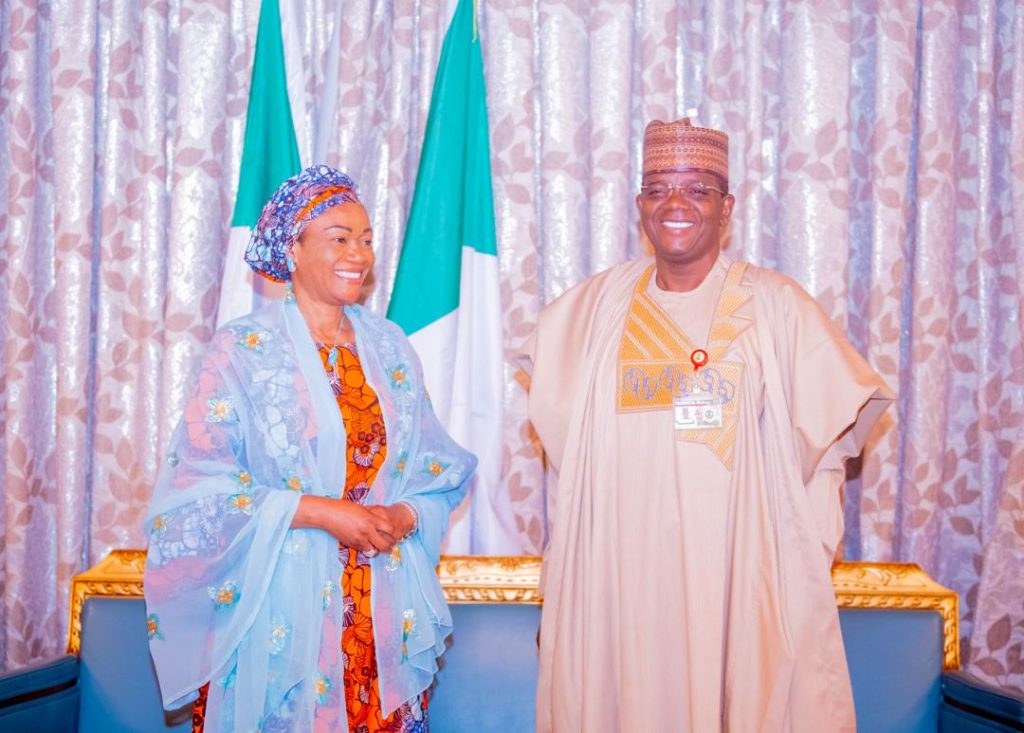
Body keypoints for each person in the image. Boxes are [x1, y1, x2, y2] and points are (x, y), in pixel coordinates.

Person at [521, 119, 894, 732]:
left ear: (728, 208)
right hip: (622, 583)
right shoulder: (592, 311)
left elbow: (833, 432)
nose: (675, 204)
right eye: (658, 188)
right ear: (639, 204)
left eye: (697, 190)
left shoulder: (776, 307)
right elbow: (572, 462)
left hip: (735, 581)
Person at [143, 165, 476, 733]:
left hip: (378, 607)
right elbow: (198, 490)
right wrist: (324, 513)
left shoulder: (389, 346)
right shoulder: (245, 350)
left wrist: (403, 512)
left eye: (367, 239)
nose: (359, 254)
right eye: (339, 238)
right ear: (291, 250)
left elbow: (435, 467)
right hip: (282, 616)